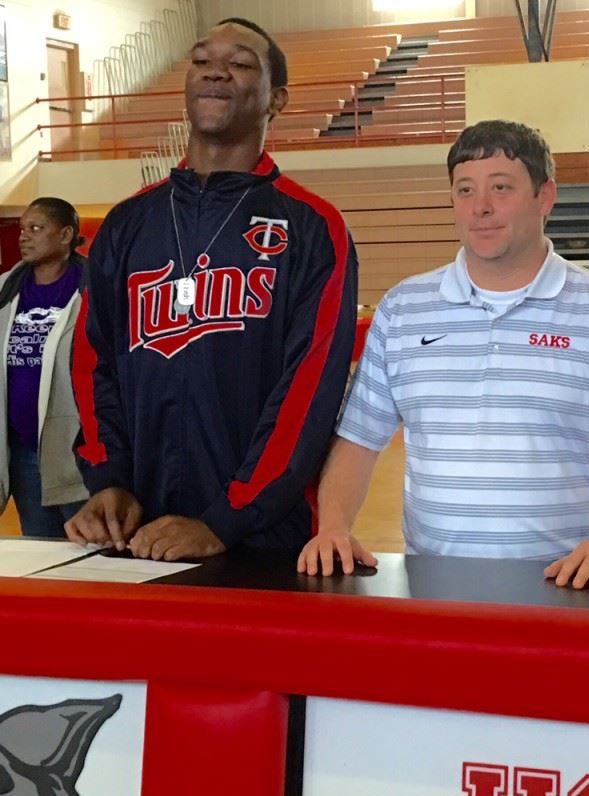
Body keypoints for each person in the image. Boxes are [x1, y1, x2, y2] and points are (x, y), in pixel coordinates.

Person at [298, 119, 589, 589]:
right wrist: (333, 528)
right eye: (465, 190)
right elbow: (359, 441)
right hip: (434, 587)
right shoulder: (404, 309)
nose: (481, 208)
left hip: (572, 586)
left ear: (545, 196)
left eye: (502, 188)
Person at [66, 17, 357, 560]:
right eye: (201, 61)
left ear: (279, 100)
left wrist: (229, 518)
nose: (215, 72)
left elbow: (309, 389)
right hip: (137, 536)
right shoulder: (128, 222)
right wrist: (108, 478)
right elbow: (91, 362)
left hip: (264, 541)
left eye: (241, 63)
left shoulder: (313, 227)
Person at [0, 198, 88, 535]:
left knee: (90, 555)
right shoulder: (7, 289)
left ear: (65, 235)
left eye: (36, 229)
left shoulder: (93, 287)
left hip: (77, 451)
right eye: (23, 229)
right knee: (41, 553)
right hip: (23, 451)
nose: (24, 236)